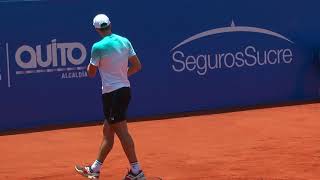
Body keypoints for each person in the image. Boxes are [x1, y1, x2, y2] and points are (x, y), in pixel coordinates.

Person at [75, 14, 145, 180]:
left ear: (97, 29)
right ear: (110, 25)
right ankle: (95, 169)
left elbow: (91, 74)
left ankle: (137, 171)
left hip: (113, 95)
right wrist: (122, 76)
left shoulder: (97, 47)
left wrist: (90, 66)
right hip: (122, 91)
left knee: (122, 132)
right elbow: (137, 66)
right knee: (108, 131)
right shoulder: (124, 41)